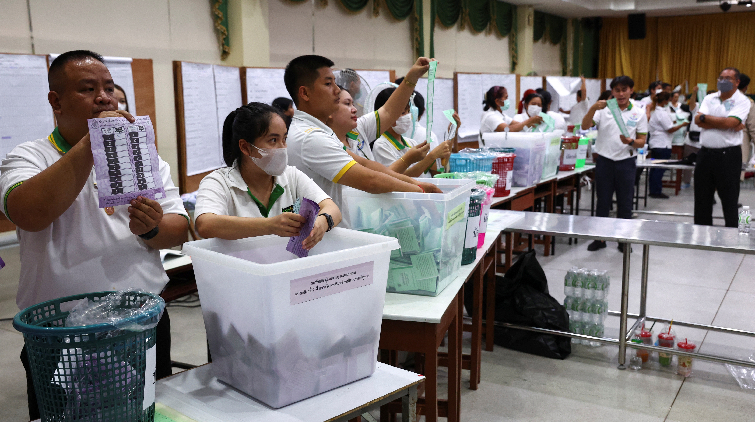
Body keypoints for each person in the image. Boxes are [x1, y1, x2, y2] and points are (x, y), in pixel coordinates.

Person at [0, 50, 189, 420]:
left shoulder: (140, 154)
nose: (105, 97)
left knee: (145, 412)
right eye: (88, 89)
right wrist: (93, 142)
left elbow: (178, 229)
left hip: (140, 323)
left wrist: (151, 227)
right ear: (56, 101)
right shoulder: (29, 156)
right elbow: (28, 212)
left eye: (109, 88)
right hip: (58, 334)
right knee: (64, 415)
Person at [284, 55, 440, 229]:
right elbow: (371, 180)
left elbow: (370, 164)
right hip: (323, 239)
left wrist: (411, 78)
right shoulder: (311, 137)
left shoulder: (336, 133)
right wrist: (418, 190)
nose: (336, 90)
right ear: (304, 93)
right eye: (328, 84)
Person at [195, 102, 341, 245]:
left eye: (284, 139)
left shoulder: (290, 175)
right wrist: (269, 226)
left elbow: (332, 208)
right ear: (245, 147)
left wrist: (322, 222)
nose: (282, 148)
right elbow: (205, 225)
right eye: (273, 140)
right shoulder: (219, 182)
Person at [582, 76, 648, 252]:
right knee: (602, 201)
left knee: (625, 203)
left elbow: (642, 141)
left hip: (626, 162)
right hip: (604, 161)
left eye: (624, 89)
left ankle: (623, 241)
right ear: (612, 92)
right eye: (617, 90)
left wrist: (631, 141)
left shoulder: (638, 112)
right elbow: (585, 125)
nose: (621, 94)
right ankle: (600, 239)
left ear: (631, 90)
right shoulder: (604, 110)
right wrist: (593, 108)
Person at [694, 67, 751, 227]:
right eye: (721, 78)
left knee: (730, 198)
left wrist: (707, 119)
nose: (723, 81)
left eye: (728, 78)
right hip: (705, 154)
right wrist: (723, 122)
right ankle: (701, 234)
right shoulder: (710, 98)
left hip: (728, 156)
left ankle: (733, 236)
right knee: (702, 198)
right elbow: (698, 120)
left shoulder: (743, 100)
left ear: (737, 81)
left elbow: (731, 123)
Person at [370, 87, 452, 177]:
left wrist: (450, 137)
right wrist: (431, 156)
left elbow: (439, 167)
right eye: (402, 112)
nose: (408, 117)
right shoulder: (381, 145)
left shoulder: (411, 143)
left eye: (408, 111)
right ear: (385, 115)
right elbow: (397, 179)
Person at [647, 92, 688, 198]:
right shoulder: (662, 113)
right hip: (662, 144)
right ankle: (656, 191)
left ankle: (653, 190)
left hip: (656, 143)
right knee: (660, 168)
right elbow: (670, 129)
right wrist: (682, 124)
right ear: (665, 101)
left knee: (655, 168)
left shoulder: (656, 111)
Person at [737, 74, 755, 181]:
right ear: (746, 87)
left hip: (719, 142)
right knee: (735, 178)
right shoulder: (749, 102)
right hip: (740, 142)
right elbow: (752, 128)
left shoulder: (722, 98)